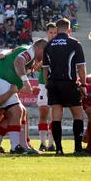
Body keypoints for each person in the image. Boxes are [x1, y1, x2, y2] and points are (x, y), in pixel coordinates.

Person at [0, 39, 48, 154]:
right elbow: (18, 61)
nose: (46, 57)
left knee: (22, 112)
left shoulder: (28, 51)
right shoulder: (30, 51)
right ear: (40, 49)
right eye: (46, 53)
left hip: (0, 80)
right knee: (16, 111)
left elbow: (12, 57)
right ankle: (16, 147)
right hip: (0, 80)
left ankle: (21, 145)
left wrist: (28, 89)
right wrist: (26, 82)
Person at [43, 18, 87, 155]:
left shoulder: (49, 45)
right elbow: (81, 67)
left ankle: (59, 150)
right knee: (78, 114)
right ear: (69, 29)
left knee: (56, 117)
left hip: (53, 83)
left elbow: (45, 69)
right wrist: (84, 84)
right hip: (68, 82)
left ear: (56, 29)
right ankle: (78, 149)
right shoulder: (74, 43)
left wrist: (47, 85)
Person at [36, 23, 57, 151]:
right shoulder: (42, 47)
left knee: (55, 116)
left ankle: (51, 144)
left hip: (56, 83)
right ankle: (43, 143)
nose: (53, 35)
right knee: (43, 113)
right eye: (51, 33)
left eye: (55, 33)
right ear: (47, 33)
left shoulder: (61, 47)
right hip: (43, 84)